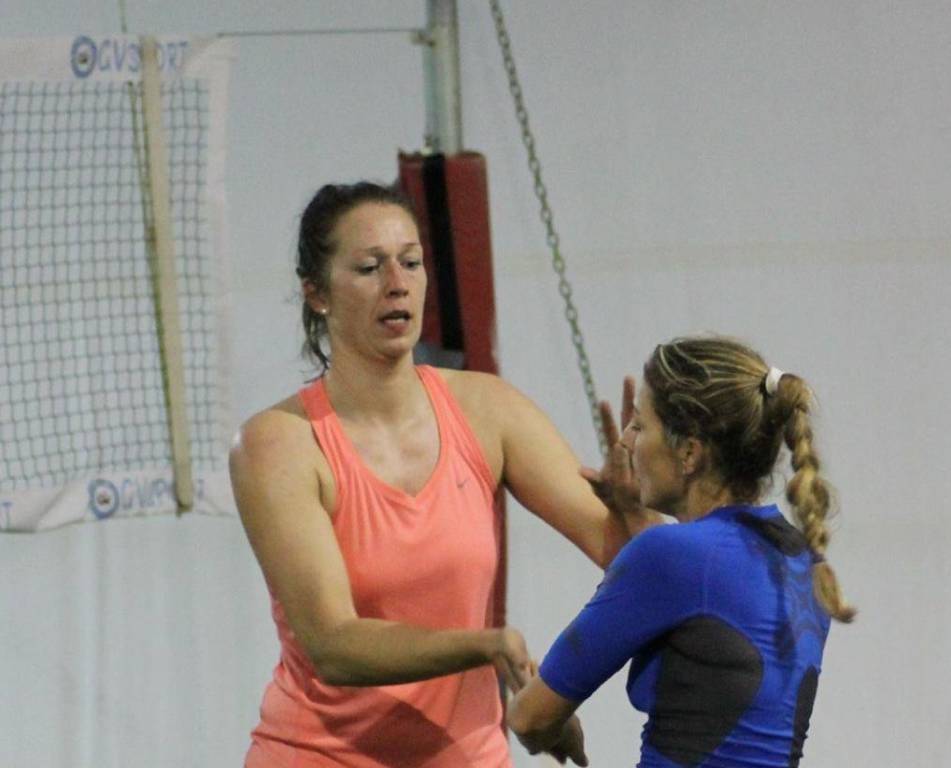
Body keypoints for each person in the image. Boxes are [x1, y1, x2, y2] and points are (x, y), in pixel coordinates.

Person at [230, 181, 649, 767]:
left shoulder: (488, 409)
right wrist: (485, 646)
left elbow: (633, 556)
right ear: (316, 293)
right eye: (369, 267)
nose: (397, 283)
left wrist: (635, 511)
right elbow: (333, 643)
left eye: (411, 262)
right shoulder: (277, 443)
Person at [508, 336, 855, 767]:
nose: (628, 442)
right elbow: (704, 618)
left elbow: (529, 719)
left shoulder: (671, 556)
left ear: (689, 452)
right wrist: (635, 516)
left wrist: (558, 724)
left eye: (640, 424)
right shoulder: (802, 558)